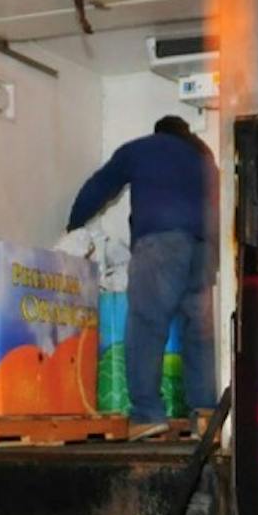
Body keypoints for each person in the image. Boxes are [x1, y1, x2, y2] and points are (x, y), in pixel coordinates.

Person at [67, 115, 218, 440]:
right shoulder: (202, 159)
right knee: (199, 334)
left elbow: (99, 187)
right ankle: (206, 416)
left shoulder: (141, 150)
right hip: (205, 249)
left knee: (146, 326)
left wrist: (72, 224)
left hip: (161, 244)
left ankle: (148, 414)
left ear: (159, 132)